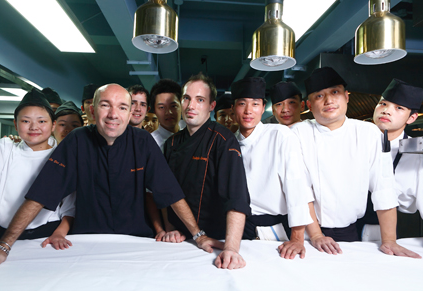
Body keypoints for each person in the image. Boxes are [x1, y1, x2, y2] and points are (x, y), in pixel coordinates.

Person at [0, 84, 230, 270]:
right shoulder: (76, 141)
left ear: (130, 114)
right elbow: (40, 194)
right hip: (85, 242)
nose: (113, 114)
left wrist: (199, 235)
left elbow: (170, 192)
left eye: (121, 107)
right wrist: (4, 245)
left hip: (137, 241)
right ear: (93, 111)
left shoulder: (143, 142)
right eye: (105, 105)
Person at [292, 67, 420, 258]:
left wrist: (389, 241)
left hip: (350, 232)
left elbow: (383, 188)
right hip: (306, 232)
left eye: (335, 92)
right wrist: (317, 234)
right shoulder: (296, 133)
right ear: (309, 105)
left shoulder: (368, 133)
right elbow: (299, 189)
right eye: (319, 96)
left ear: (346, 97)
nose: (328, 101)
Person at [164, 73, 252, 269]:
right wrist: (169, 228)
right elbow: (166, 192)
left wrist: (231, 249)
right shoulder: (170, 144)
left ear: (211, 106)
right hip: (179, 239)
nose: (191, 106)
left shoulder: (224, 141)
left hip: (214, 241)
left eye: (200, 100)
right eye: (186, 98)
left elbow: (236, 199)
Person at [0, 89, 75, 257]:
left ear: (53, 125)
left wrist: (59, 234)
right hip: (1, 236)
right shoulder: (5, 148)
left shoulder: (62, 155)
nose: (34, 127)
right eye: (26, 121)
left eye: (42, 121)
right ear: (15, 124)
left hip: (46, 239)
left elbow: (70, 206)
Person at [232, 77, 313, 259]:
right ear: (233, 109)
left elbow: (296, 186)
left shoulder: (280, 135)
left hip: (273, 229)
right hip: (239, 227)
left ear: (262, 108)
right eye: (242, 104)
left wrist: (297, 239)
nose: (248, 111)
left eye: (255, 104)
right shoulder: (229, 142)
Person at [371, 79, 423, 226]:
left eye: (399, 108)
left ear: (412, 118)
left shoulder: (417, 154)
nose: (386, 110)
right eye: (383, 103)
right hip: (348, 231)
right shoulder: (358, 143)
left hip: (399, 231)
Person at [150, 79, 183, 150]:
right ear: (155, 111)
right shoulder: (151, 143)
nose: (168, 112)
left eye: (173, 106)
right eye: (162, 107)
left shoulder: (191, 134)